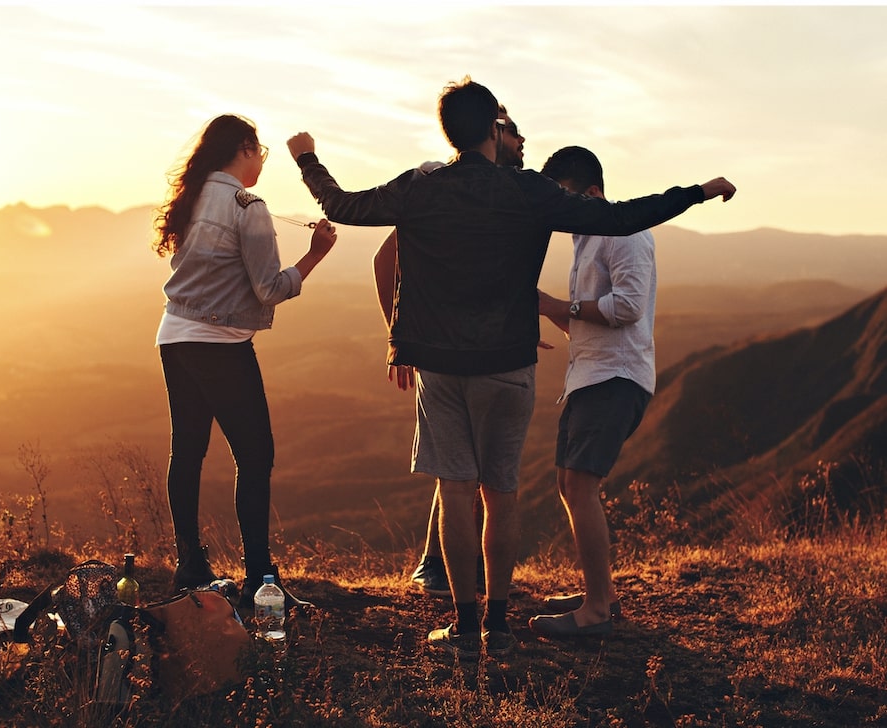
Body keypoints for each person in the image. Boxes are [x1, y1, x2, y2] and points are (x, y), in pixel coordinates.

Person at [287, 76, 735, 660]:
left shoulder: (422, 187)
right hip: (509, 363)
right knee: (502, 495)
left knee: (456, 494)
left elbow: (344, 206)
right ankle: (499, 625)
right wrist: (696, 191)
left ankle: (466, 628)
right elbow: (622, 217)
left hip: (442, 365)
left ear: (449, 131)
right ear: (495, 130)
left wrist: (307, 159)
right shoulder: (525, 191)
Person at [153, 114, 337, 612]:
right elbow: (270, 288)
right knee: (256, 456)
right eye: (261, 153)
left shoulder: (192, 196)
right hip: (221, 344)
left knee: (188, 451)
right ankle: (260, 579)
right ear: (244, 149)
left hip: (174, 336)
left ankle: (190, 565)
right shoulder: (247, 206)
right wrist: (316, 254)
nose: (261, 164)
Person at [373, 105, 527, 599]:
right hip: (445, 350)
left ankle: (454, 577)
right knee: (460, 471)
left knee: (466, 470)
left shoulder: (502, 193)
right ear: (491, 133)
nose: (523, 142)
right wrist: (400, 338)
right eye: (513, 131)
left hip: (481, 347)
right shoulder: (439, 185)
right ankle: (439, 569)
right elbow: (385, 258)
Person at [528, 146, 659, 638]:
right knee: (569, 484)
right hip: (589, 375)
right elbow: (584, 320)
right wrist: (545, 308)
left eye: (563, 196)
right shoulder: (585, 238)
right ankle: (597, 591)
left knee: (580, 485)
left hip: (616, 378)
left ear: (593, 192)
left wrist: (561, 304)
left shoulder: (622, 232)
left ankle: (598, 610)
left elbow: (626, 307)